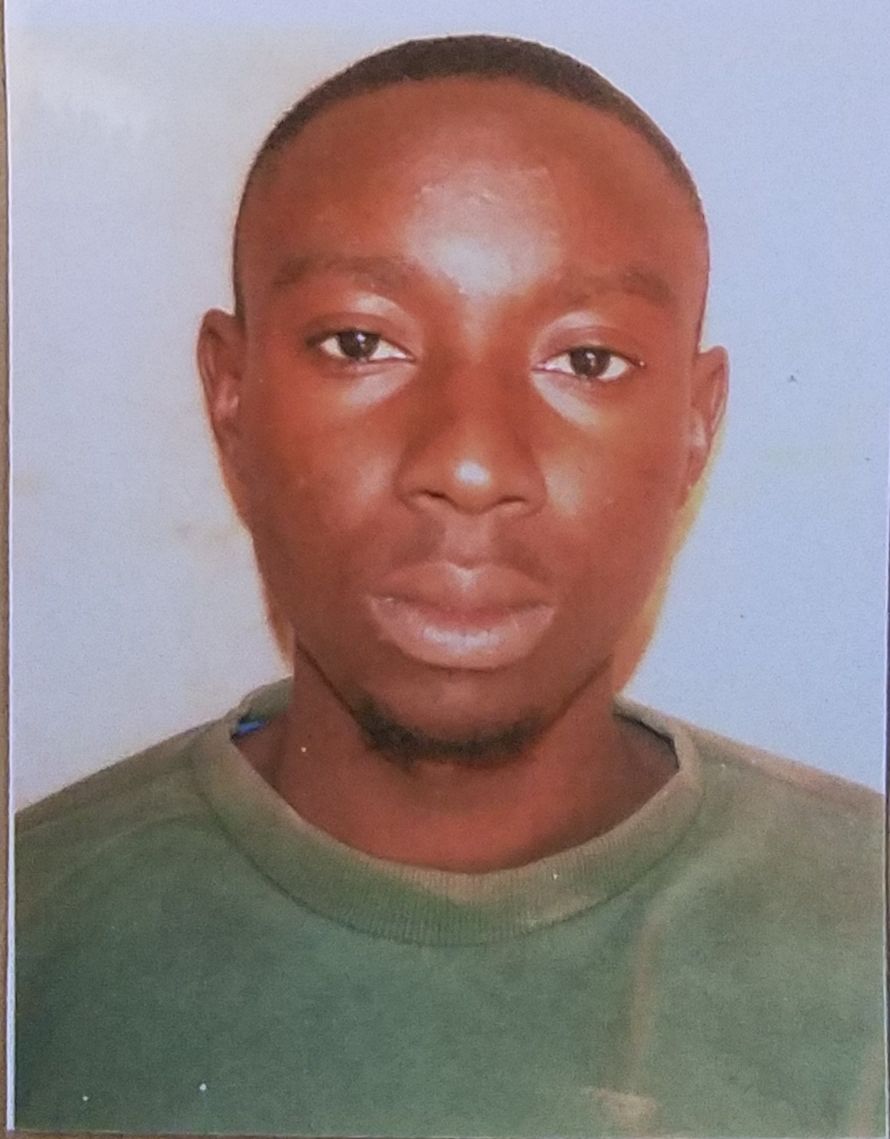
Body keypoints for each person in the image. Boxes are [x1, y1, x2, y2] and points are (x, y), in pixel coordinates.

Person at [15, 34, 885, 1139]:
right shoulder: (35, 935)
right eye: (359, 342)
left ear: (694, 428)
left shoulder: (862, 937)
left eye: (585, 360)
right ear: (230, 397)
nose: (470, 463)